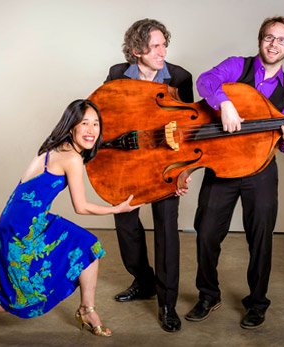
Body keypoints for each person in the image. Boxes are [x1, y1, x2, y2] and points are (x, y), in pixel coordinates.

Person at [0, 99, 142, 338]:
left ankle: (87, 310)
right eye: (85, 123)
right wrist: (117, 210)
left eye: (96, 124)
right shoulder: (71, 157)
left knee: (88, 245)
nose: (91, 130)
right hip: (19, 231)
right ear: (72, 126)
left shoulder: (61, 148)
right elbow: (80, 207)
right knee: (18, 300)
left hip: (33, 222)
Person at [185, 16, 284, 330]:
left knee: (260, 238)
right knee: (207, 232)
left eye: (281, 40)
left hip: (261, 172)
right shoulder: (238, 67)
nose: (273, 44)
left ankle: (257, 302)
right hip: (221, 166)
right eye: (268, 37)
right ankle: (208, 295)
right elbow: (206, 80)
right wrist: (223, 102)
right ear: (260, 39)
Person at [104, 18, 193, 333]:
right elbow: (105, 116)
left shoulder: (180, 77)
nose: (162, 51)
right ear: (136, 50)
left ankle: (167, 304)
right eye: (155, 46)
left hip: (165, 166)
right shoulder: (116, 74)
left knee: (166, 228)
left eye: (164, 44)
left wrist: (183, 173)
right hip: (128, 162)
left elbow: (188, 129)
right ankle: (143, 280)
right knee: (125, 221)